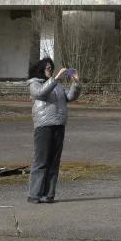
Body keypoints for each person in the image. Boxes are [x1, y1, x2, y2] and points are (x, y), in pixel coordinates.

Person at [26, 57, 81, 203]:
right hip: (43, 125)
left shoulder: (57, 86)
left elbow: (70, 97)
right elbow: (41, 94)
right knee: (41, 161)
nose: (50, 70)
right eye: (48, 68)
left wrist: (76, 83)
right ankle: (34, 194)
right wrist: (55, 79)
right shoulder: (34, 83)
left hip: (59, 124)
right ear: (41, 69)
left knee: (54, 161)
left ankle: (49, 194)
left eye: (51, 68)